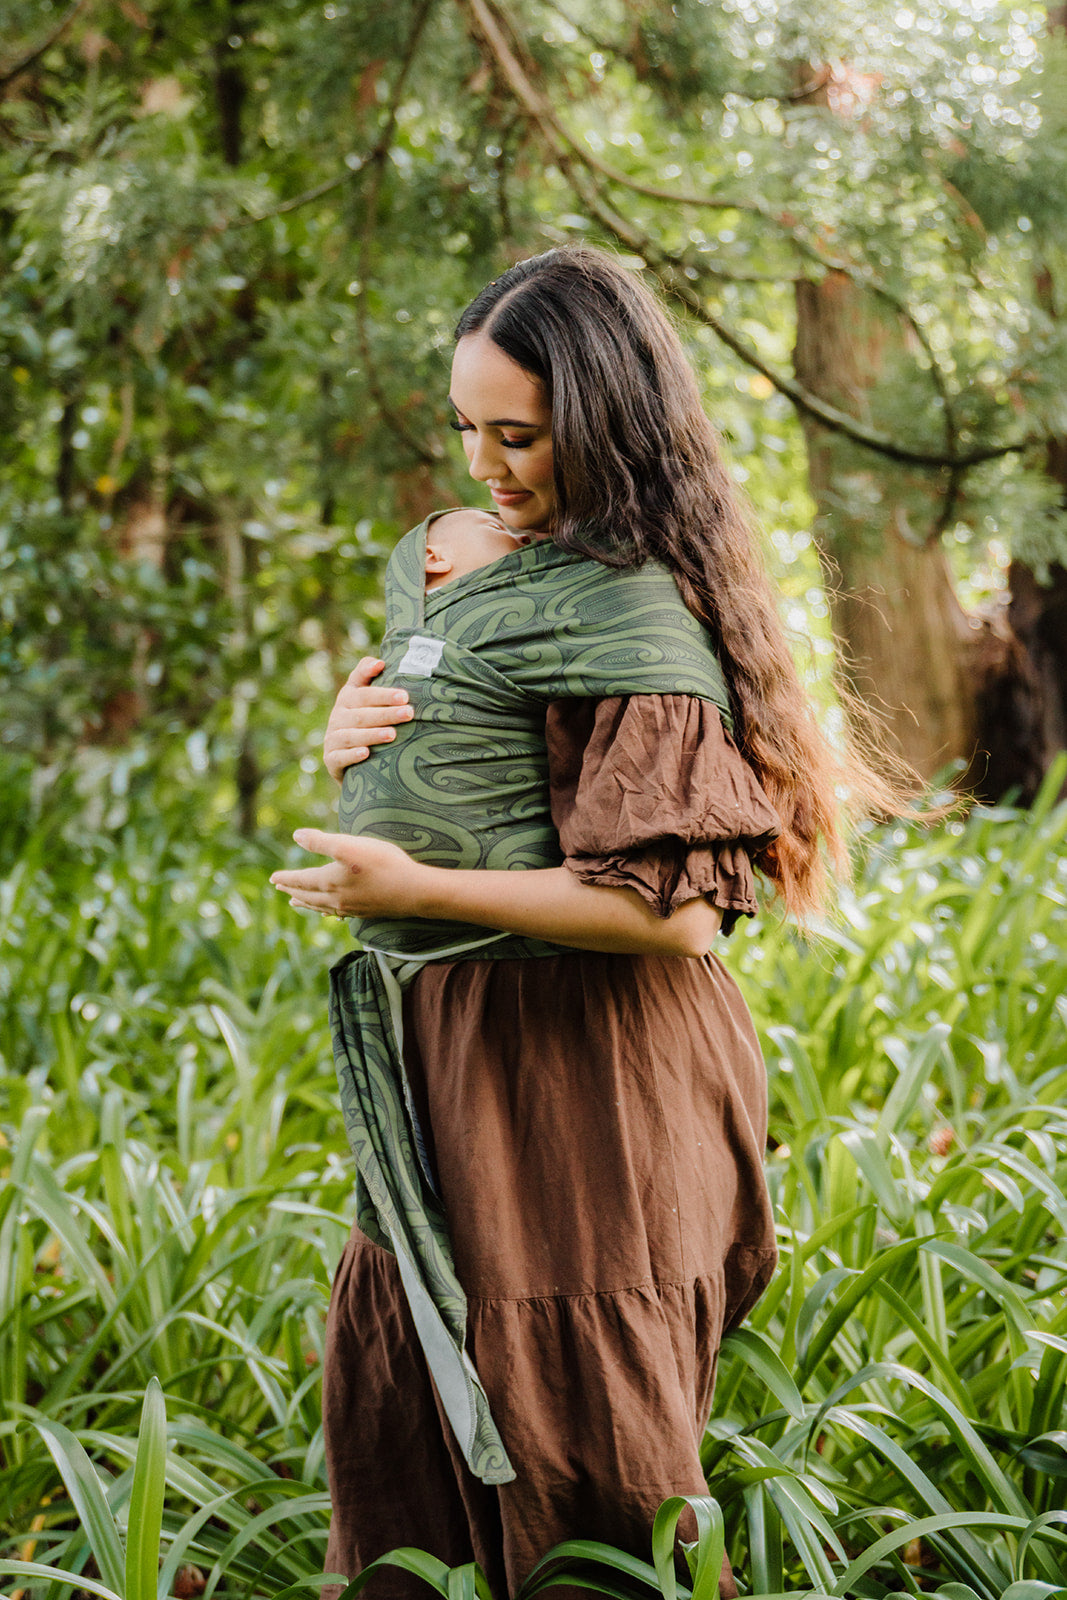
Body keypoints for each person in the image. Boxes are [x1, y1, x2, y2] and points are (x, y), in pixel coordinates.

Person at [269, 247, 894, 1599]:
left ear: (604, 425)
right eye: (466, 430)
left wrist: (414, 892)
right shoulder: (484, 578)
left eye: (520, 435)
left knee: (582, 1464)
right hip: (457, 1056)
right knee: (419, 1422)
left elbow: (675, 923)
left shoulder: (631, 612)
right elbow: (475, 775)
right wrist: (358, 741)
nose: (487, 464)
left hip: (591, 1082)